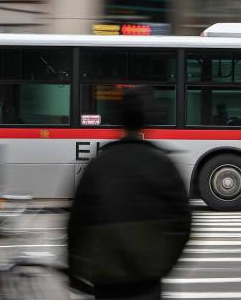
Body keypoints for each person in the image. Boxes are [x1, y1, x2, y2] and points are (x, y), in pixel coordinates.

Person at [68, 88, 191, 300]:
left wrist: (75, 270)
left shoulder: (99, 164)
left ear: (117, 120)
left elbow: (76, 223)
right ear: (148, 121)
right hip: (148, 279)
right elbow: (184, 223)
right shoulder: (162, 163)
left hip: (106, 280)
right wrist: (163, 264)